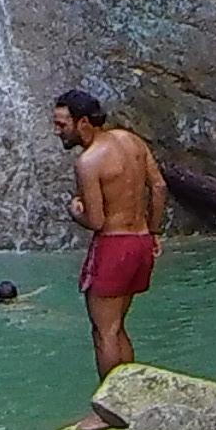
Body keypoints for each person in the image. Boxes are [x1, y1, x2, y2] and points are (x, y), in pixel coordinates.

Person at [53, 89, 166, 412]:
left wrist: (75, 211)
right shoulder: (132, 141)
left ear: (83, 123)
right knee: (117, 327)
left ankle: (111, 411)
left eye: (62, 124)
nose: (57, 131)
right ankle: (131, 401)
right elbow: (159, 186)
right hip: (141, 242)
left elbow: (96, 220)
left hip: (113, 245)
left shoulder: (88, 161)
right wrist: (154, 230)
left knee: (104, 332)